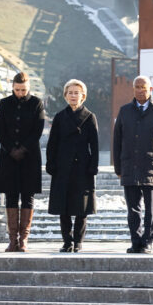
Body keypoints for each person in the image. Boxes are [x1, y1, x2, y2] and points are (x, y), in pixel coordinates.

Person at [113, 75, 153, 253]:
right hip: (129, 166)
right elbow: (117, 141)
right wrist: (118, 168)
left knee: (150, 209)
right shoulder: (124, 111)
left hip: (151, 167)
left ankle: (147, 241)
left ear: (150, 90)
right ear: (133, 89)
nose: (140, 90)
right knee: (133, 209)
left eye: (144, 87)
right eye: (137, 87)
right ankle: (135, 241)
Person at [0, 72, 45, 252]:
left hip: (29, 156)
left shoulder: (36, 103)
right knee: (11, 195)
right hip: (8, 156)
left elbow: (38, 130)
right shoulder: (5, 103)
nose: (20, 93)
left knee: (28, 196)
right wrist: (11, 149)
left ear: (28, 87)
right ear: (12, 87)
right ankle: (12, 240)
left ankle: (23, 240)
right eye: (17, 90)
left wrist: (23, 149)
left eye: (23, 90)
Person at [46, 79, 98, 252]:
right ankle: (67, 241)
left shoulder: (90, 117)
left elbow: (95, 145)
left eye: (77, 92)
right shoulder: (60, 117)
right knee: (64, 206)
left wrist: (93, 166)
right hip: (63, 167)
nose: (73, 96)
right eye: (70, 92)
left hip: (82, 167)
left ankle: (78, 241)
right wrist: (51, 163)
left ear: (83, 96)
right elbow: (52, 143)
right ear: (65, 95)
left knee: (81, 207)